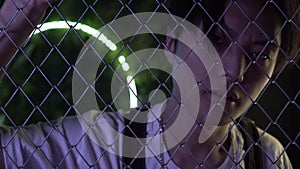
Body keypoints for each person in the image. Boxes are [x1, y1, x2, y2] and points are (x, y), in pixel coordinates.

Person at [0, 0, 298, 168]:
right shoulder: (103, 144)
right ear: (172, 40)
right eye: (217, 38)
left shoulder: (266, 157)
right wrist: (9, 30)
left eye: (260, 54)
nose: (235, 70)